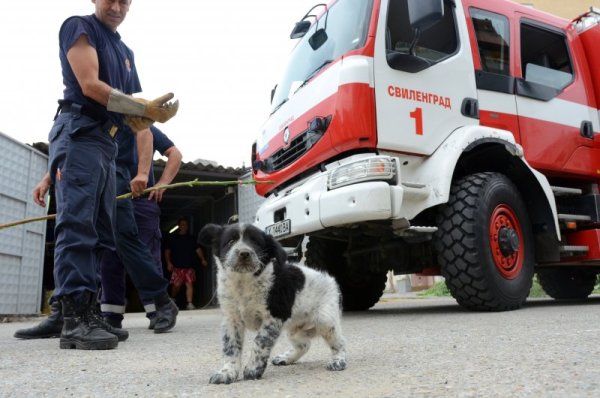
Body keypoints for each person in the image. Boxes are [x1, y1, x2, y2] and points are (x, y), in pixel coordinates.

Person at [14, 0, 178, 350]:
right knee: (78, 224)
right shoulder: (79, 27)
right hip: (81, 130)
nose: (117, 6)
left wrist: (145, 116)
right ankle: (76, 318)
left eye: (125, 1)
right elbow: (89, 85)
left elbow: (135, 114)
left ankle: (67, 310)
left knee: (101, 233)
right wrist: (141, 108)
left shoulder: (125, 52)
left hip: (106, 141)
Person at [100, 125, 182, 329]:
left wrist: (162, 182)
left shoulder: (143, 125)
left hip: (141, 200)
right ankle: (111, 315)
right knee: (109, 256)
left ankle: (159, 310)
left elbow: (175, 153)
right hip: (112, 199)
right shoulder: (102, 124)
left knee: (145, 254)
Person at [165, 218, 208, 310]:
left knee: (189, 284)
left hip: (189, 266)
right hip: (177, 267)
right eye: (182, 224)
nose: (184, 226)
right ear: (179, 226)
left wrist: (203, 259)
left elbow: (198, 249)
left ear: (188, 226)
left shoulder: (192, 239)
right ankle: (173, 298)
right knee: (176, 286)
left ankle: (189, 303)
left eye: (186, 225)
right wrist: (169, 263)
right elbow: (167, 251)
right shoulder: (173, 238)